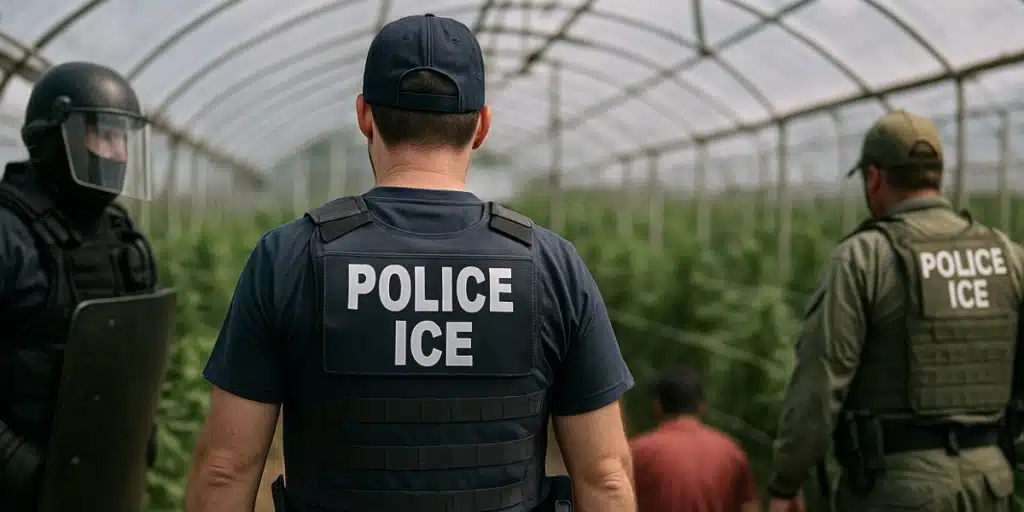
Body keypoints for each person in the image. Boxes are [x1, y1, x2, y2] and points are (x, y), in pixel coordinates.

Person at [185, 13, 637, 512]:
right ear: (482, 125)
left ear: (364, 115)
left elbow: (226, 468)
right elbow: (607, 477)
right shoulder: (550, 265)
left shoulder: (288, 257)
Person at [767, 110, 1021, 512]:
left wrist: (786, 482)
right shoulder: (1006, 256)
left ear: (874, 178)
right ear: (937, 175)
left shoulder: (864, 259)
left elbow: (820, 382)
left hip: (896, 492)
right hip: (991, 486)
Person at [0, 61, 163, 511]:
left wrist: (141, 434)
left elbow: (136, 353)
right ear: (56, 137)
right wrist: (16, 464)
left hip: (103, 483)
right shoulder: (8, 235)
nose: (118, 154)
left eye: (123, 138)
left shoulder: (123, 236)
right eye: (103, 135)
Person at [629, 366, 760, 512]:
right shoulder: (731, 451)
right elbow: (749, 507)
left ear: (657, 406)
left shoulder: (635, 451)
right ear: (702, 406)